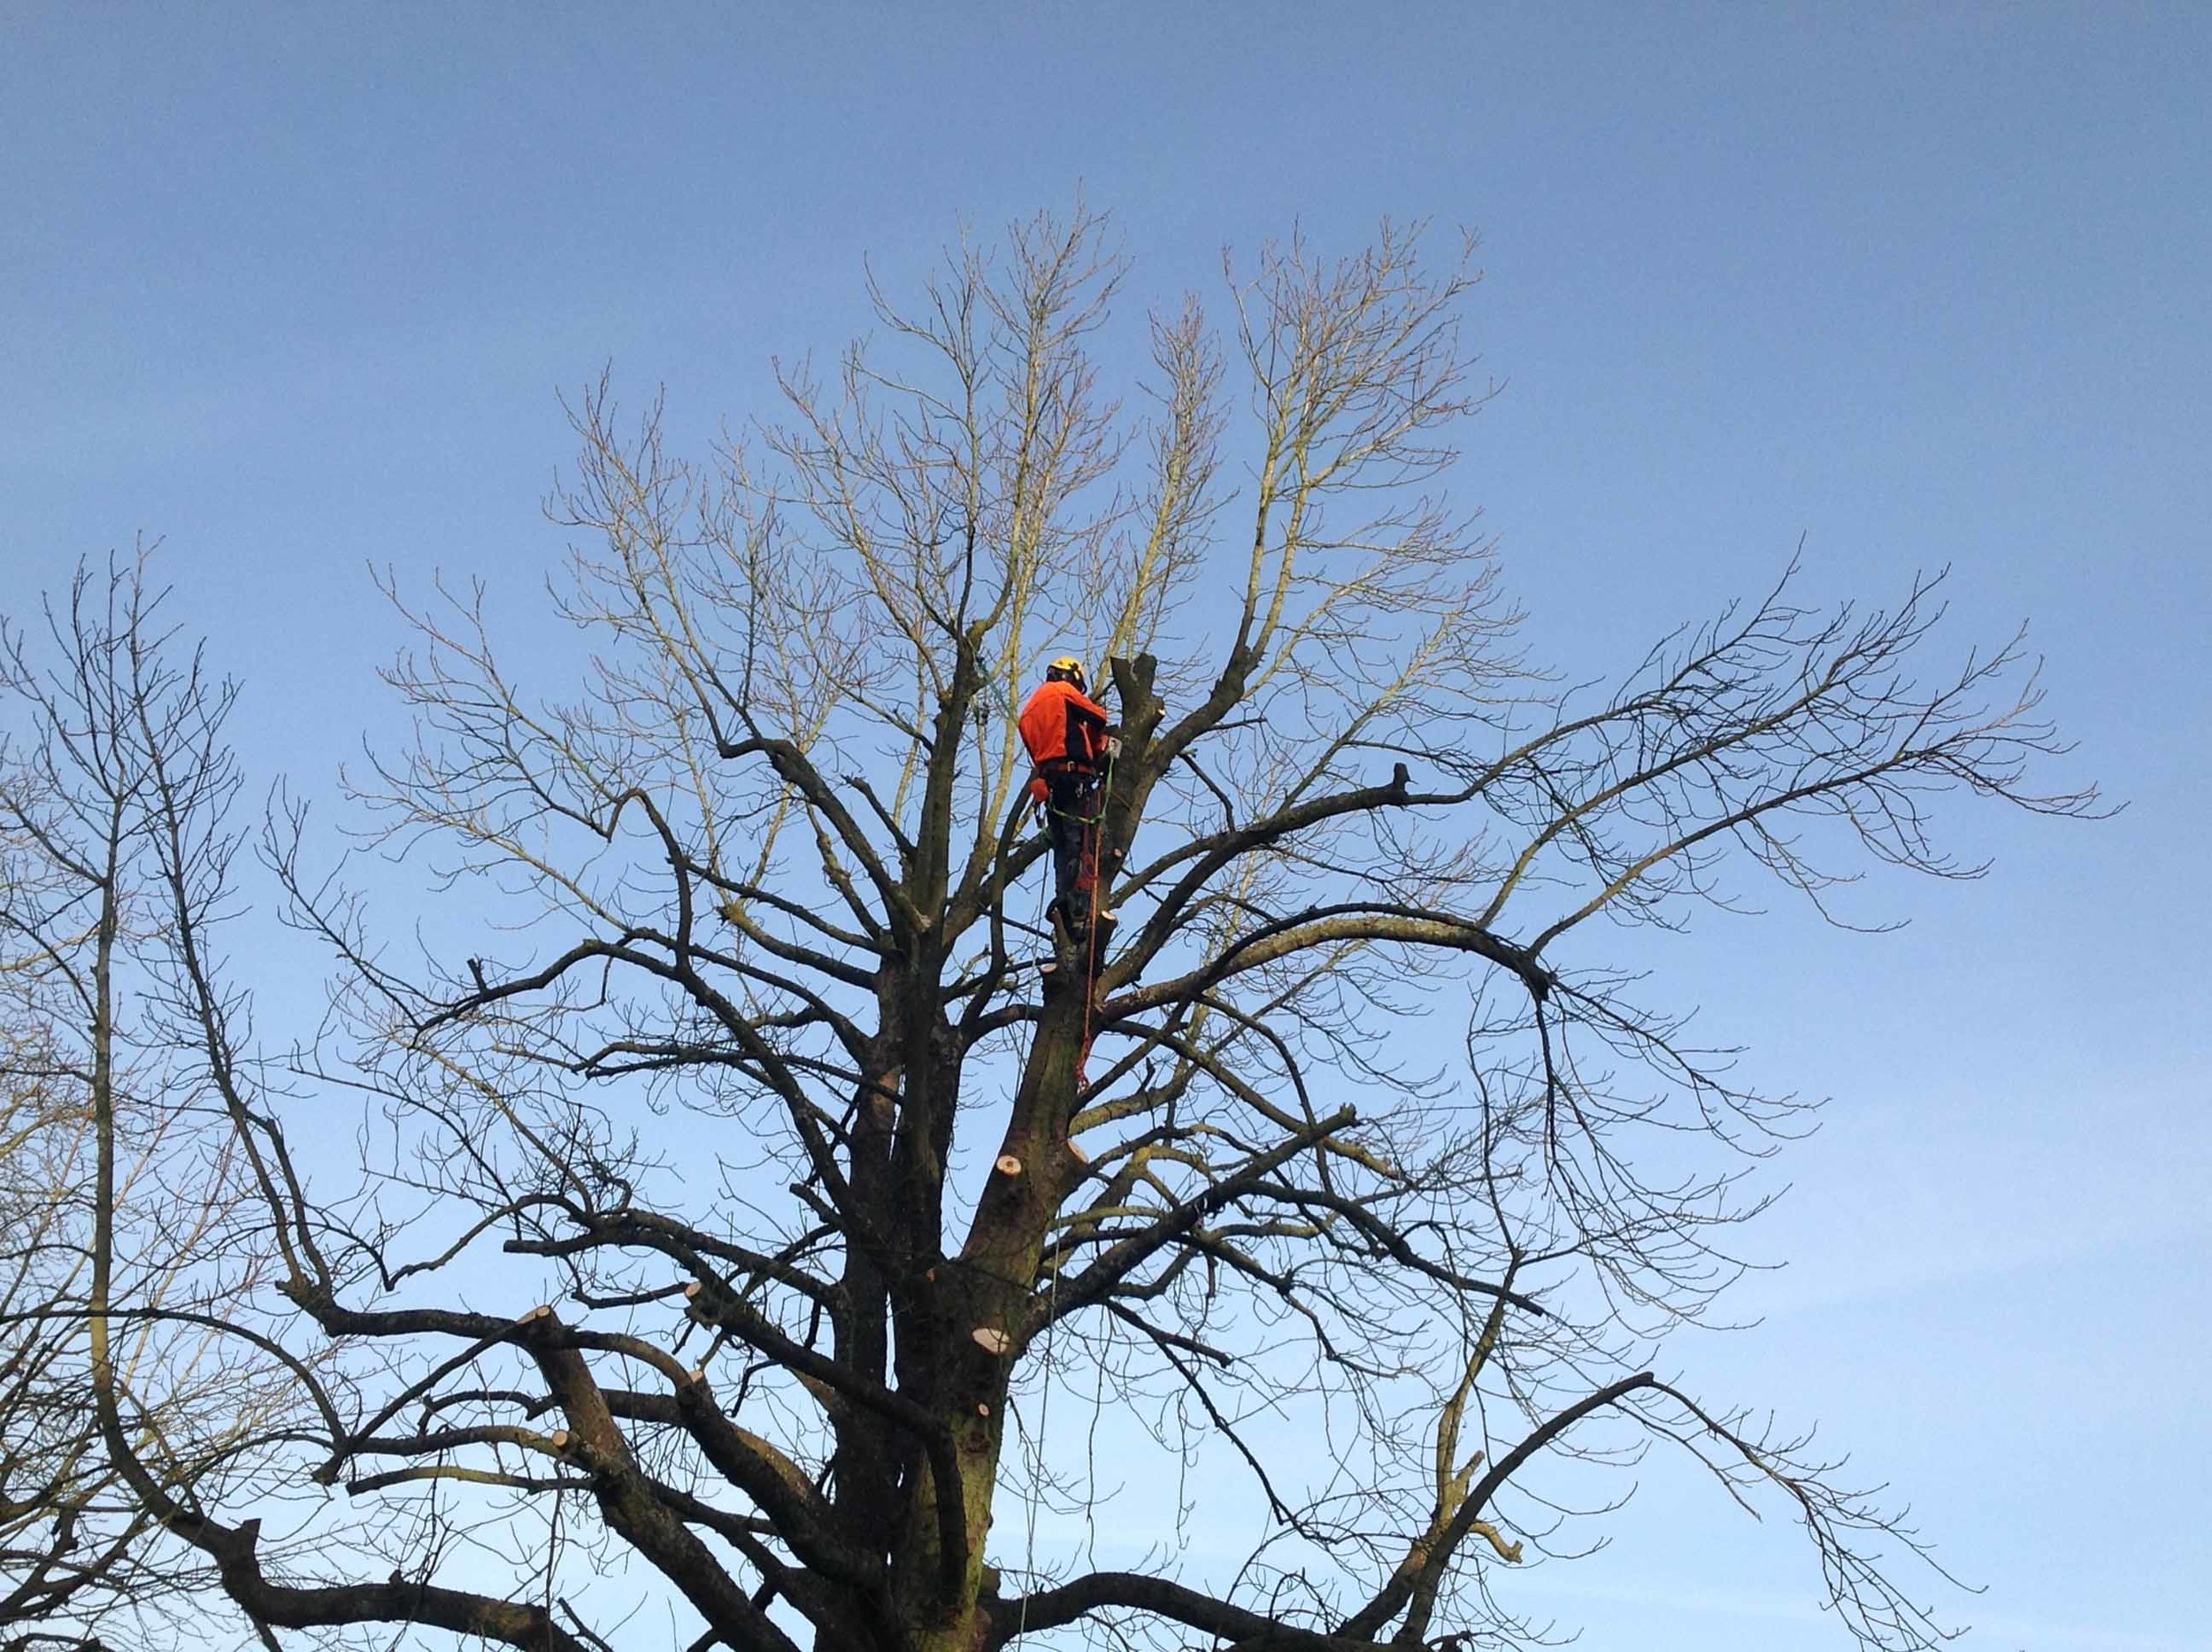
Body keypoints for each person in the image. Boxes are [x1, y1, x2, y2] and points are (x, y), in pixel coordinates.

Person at [1018, 656, 1113, 935]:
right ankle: (1078, 905)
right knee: (1079, 840)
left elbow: (1039, 755)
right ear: (1070, 676)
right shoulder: (1062, 691)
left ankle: (1063, 899)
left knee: (1062, 843)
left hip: (1051, 781)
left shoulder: (1029, 710)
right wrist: (1100, 747)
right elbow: (1099, 716)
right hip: (1073, 776)